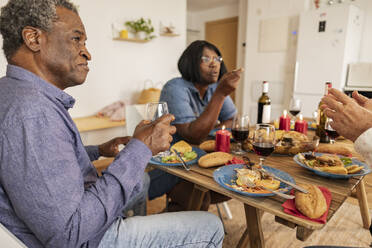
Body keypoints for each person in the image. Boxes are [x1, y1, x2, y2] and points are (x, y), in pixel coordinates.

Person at [0, 1, 224, 248]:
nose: (87, 53)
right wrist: (140, 148)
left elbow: (39, 162)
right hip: (86, 237)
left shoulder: (15, 93)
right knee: (211, 227)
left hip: (77, 214)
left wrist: (97, 150)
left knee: (141, 182)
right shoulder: (31, 112)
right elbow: (70, 234)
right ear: (33, 38)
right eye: (77, 39)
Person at [148, 40, 242, 210]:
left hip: (198, 158)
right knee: (200, 200)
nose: (214, 64)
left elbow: (232, 120)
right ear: (191, 61)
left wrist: (207, 130)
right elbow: (192, 134)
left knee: (232, 184)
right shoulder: (175, 87)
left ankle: (176, 214)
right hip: (171, 163)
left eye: (217, 59)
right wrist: (221, 94)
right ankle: (175, 221)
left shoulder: (214, 87)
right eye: (206, 59)